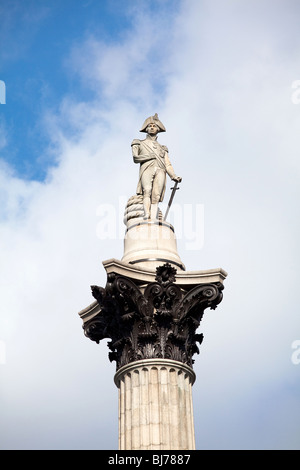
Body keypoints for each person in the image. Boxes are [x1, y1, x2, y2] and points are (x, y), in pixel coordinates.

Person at [131, 114, 182, 220]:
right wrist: (150, 156)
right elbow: (136, 158)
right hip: (147, 168)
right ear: (146, 129)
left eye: (154, 126)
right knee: (147, 190)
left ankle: (153, 218)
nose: (152, 127)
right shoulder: (139, 143)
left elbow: (167, 164)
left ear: (158, 129)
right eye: (150, 126)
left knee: (156, 195)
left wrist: (173, 176)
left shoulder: (163, 148)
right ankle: (146, 214)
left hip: (160, 170)